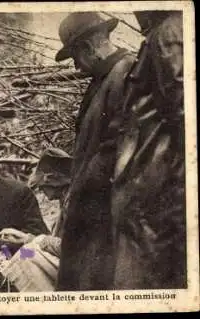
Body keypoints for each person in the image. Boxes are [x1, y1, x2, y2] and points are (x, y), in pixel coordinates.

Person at [53, 12, 135, 291]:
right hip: (90, 206)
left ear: (88, 48)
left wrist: (80, 188)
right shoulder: (105, 76)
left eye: (75, 58)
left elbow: (114, 146)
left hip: (102, 210)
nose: (76, 67)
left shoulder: (125, 74)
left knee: (92, 284)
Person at [111, 11, 186, 289]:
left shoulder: (167, 33)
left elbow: (181, 110)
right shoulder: (166, 32)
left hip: (153, 179)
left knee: (147, 274)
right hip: (150, 179)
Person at [0, 148, 73, 291]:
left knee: (27, 255)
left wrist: (35, 240)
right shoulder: (65, 198)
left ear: (55, 182)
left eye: (43, 187)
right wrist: (25, 238)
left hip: (76, 266)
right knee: (23, 252)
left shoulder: (73, 202)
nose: (42, 192)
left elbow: (70, 247)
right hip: (66, 261)